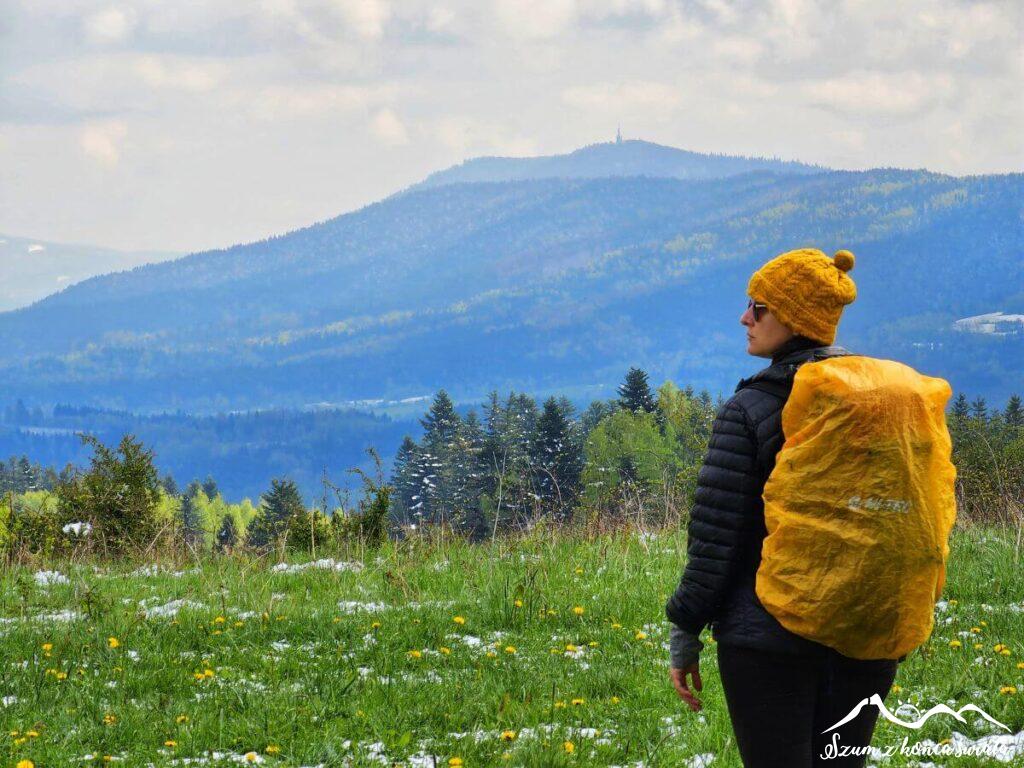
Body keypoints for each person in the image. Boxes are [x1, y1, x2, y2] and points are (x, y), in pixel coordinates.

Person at [665, 248, 901, 768]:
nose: (745, 318)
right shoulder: (878, 404)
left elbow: (715, 540)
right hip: (865, 635)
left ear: (793, 318)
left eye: (759, 307)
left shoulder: (750, 408)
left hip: (767, 642)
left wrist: (684, 631)